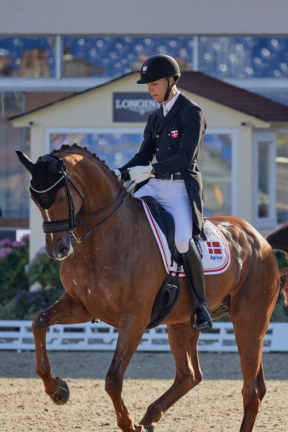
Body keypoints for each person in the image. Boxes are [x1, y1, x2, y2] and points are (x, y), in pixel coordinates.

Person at [113, 54, 212, 331]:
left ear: (171, 81)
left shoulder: (192, 113)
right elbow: (142, 155)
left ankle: (201, 305)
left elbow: (186, 158)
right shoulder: (155, 118)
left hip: (179, 188)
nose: (149, 89)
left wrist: (152, 171)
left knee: (181, 240)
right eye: (148, 84)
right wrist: (117, 175)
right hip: (154, 186)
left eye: (153, 83)